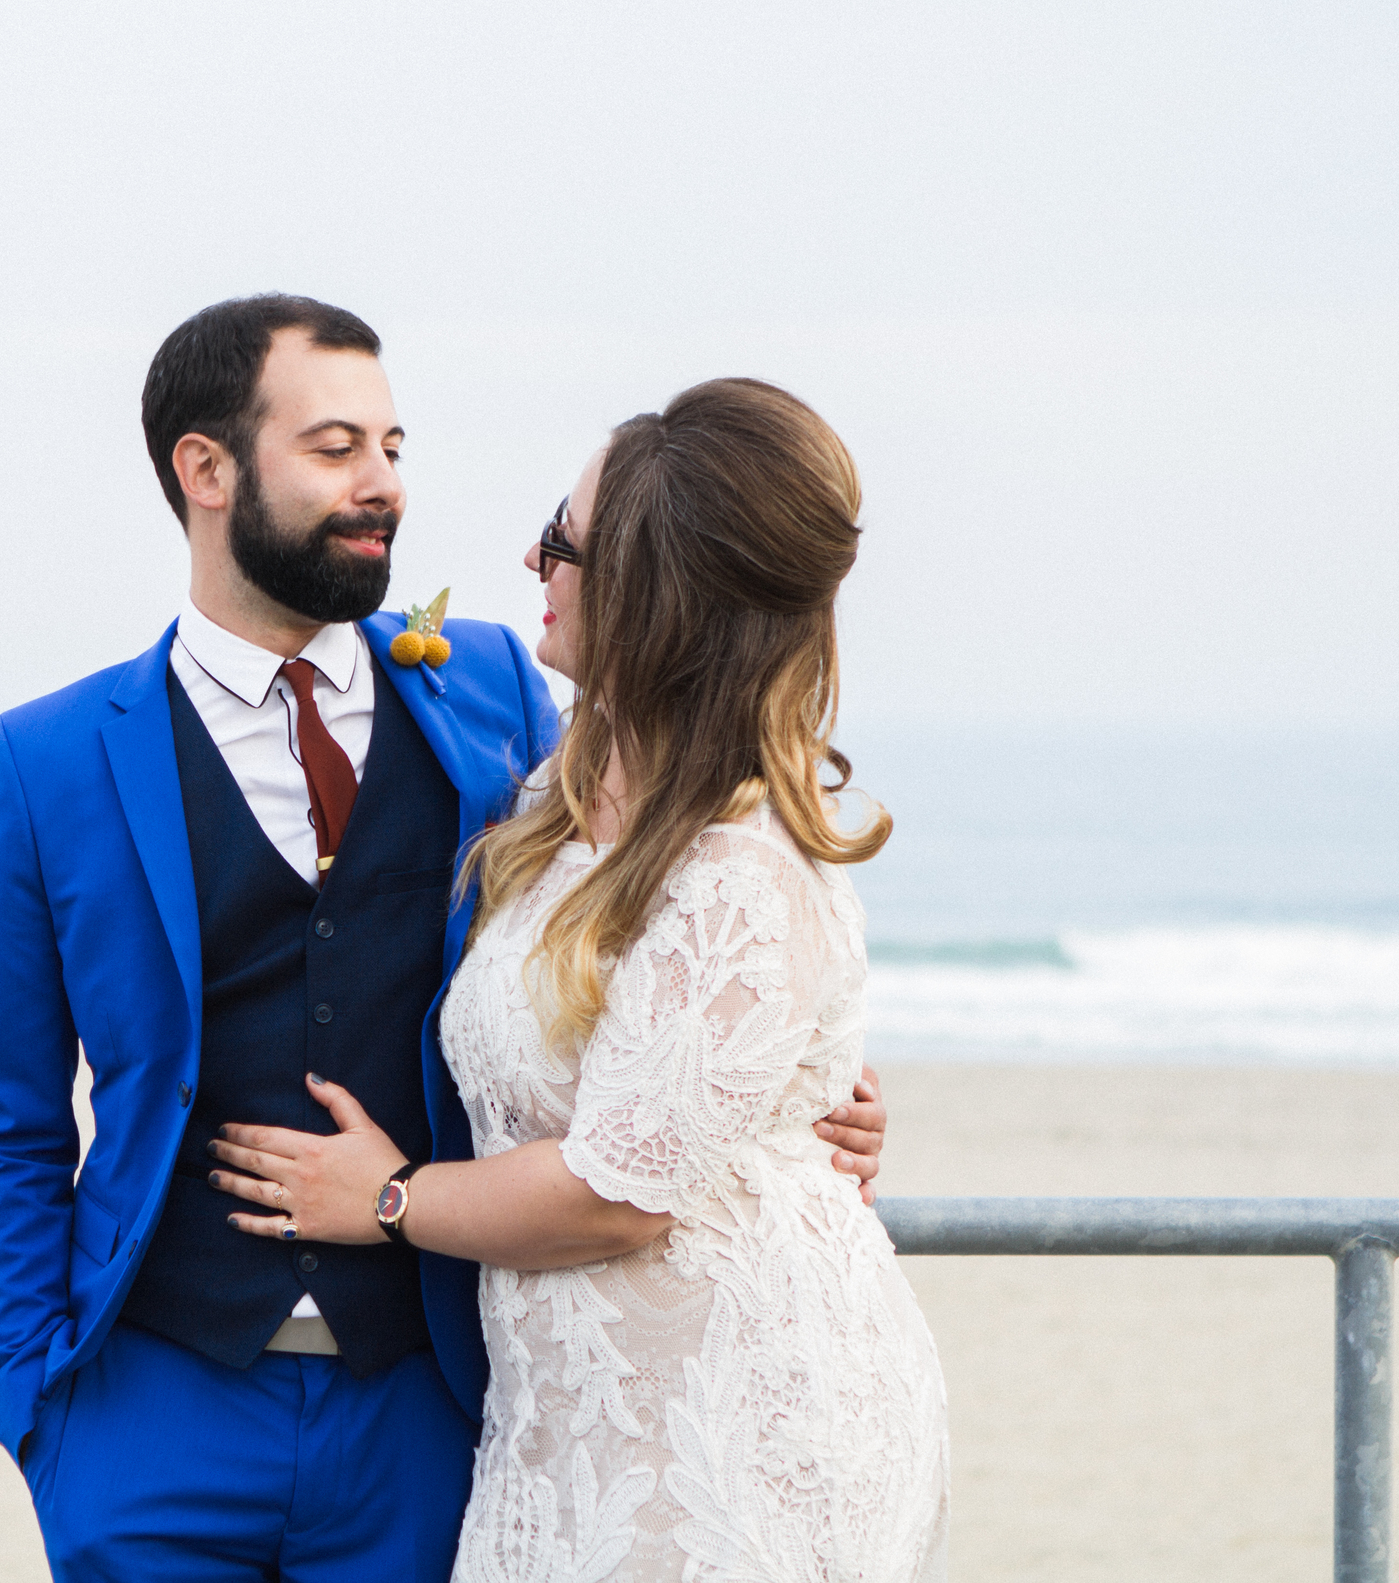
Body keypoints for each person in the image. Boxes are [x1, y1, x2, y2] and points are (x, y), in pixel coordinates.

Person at [0, 300, 893, 1582]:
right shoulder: (48, 758)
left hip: (429, 1408)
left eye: (394, 444)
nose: (382, 482)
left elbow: (668, 900)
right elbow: (7, 1114)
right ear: (206, 469)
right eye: (336, 446)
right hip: (153, 1408)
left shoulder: (496, 689)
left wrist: (797, 1097)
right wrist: (35, 1404)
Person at [208, 378, 951, 1581]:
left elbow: (621, 1192)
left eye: (563, 540)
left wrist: (386, 1196)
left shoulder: (741, 863)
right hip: (573, 1424)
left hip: (734, 1431)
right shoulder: (562, 787)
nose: (530, 560)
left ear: (648, 593)